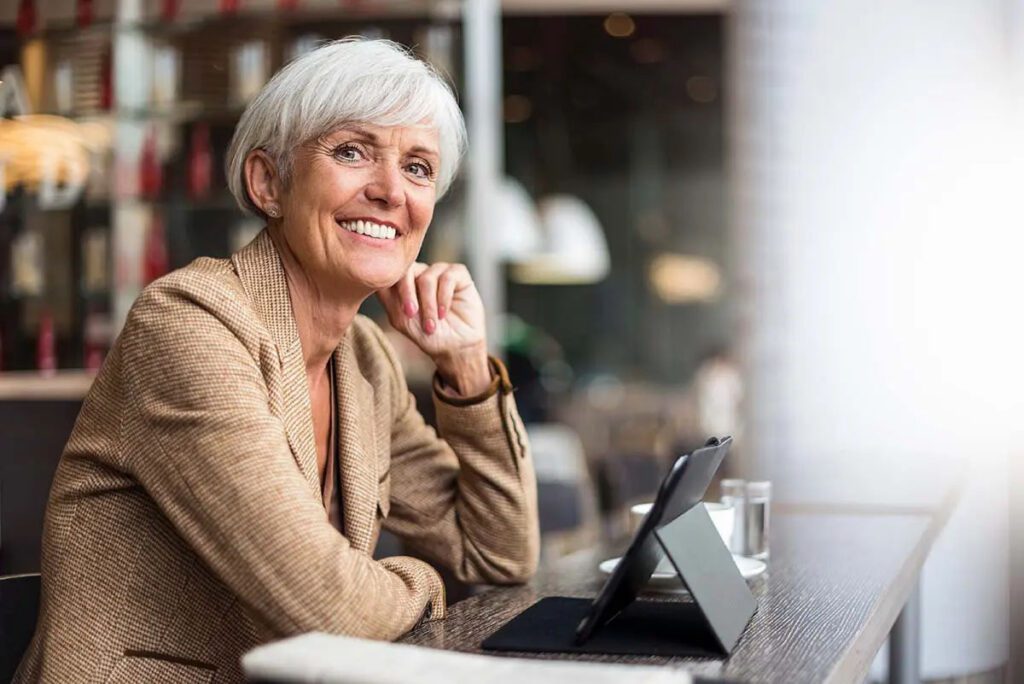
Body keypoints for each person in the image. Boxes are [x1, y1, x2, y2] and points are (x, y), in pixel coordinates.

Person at [16, 38, 539, 683]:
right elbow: (326, 604)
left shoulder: (366, 359)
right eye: (352, 152)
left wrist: (465, 369)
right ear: (269, 183)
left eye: (419, 167)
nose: (390, 191)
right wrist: (424, 584)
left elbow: (497, 558)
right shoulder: (188, 323)